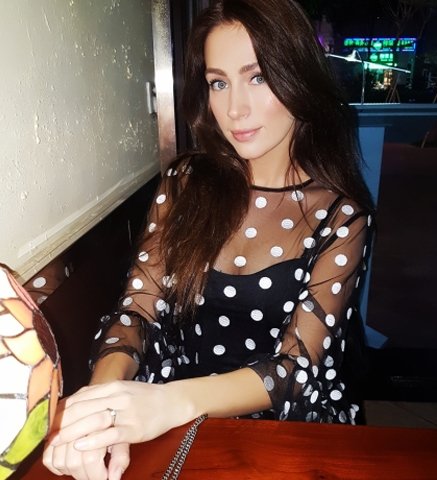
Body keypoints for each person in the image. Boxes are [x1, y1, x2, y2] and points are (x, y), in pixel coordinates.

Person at [43, 1, 374, 479]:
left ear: (298, 78)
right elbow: (137, 310)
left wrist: (169, 402)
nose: (235, 108)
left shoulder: (340, 215)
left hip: (282, 428)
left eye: (258, 77)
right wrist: (102, 405)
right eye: (219, 83)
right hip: (171, 415)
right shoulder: (185, 183)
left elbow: (298, 366)